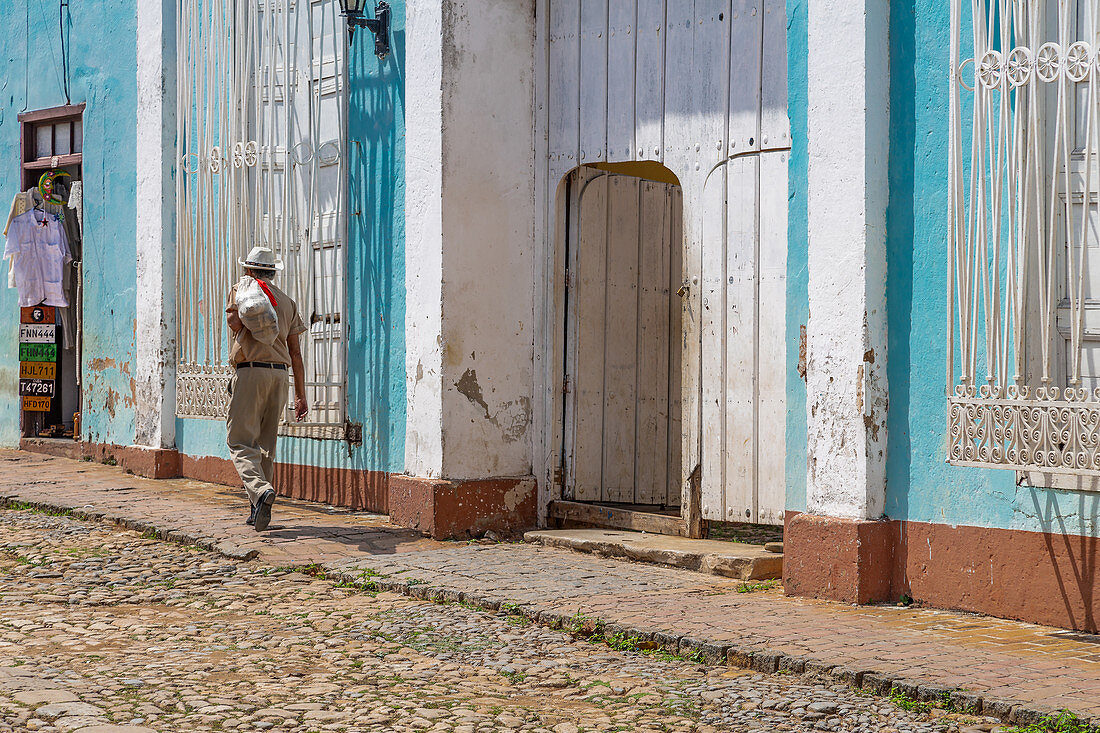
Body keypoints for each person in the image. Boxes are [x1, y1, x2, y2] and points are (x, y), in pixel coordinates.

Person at [225, 246, 308, 531]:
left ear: (248, 270)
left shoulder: (243, 290)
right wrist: (301, 394)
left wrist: (237, 297)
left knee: (239, 441)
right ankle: (257, 509)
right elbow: (295, 352)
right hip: (279, 377)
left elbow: (234, 322)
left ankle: (261, 490)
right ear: (272, 272)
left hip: (251, 373)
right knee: (266, 447)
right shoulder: (287, 301)